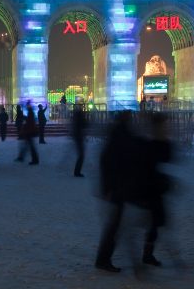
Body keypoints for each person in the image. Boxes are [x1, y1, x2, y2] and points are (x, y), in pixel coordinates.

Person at [95, 111, 138, 272]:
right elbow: (111, 164)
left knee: (115, 224)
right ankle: (103, 259)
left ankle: (103, 258)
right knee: (114, 225)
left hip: (117, 187)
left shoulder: (116, 135)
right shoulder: (122, 136)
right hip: (118, 187)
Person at [134, 113, 173, 267]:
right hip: (148, 189)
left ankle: (148, 253)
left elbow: (167, 158)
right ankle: (147, 254)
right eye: (164, 125)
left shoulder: (155, 142)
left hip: (153, 189)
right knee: (153, 222)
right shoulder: (150, 143)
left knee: (154, 223)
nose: (167, 128)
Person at [72, 104, 88, 177]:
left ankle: (77, 171)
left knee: (81, 155)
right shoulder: (80, 115)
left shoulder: (75, 115)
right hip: (79, 136)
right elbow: (84, 124)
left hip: (77, 136)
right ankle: (77, 171)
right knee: (81, 155)